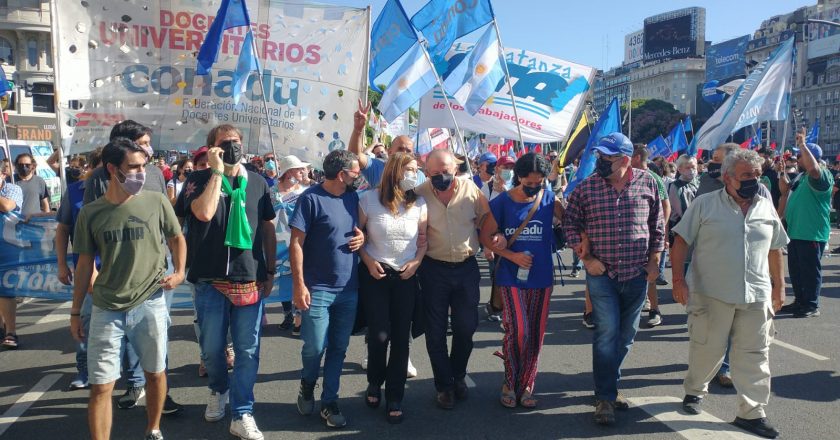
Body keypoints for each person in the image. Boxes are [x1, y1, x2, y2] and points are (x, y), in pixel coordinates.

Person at [69, 137, 186, 440]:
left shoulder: (156, 200)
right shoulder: (90, 213)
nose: (140, 173)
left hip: (151, 302)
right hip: (106, 306)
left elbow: (176, 238)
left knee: (155, 372)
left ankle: (153, 428)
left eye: (143, 166)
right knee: (101, 386)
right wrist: (74, 311)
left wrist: (180, 272)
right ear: (112, 169)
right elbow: (83, 264)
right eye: (133, 167)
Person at [671, 148, 787, 439]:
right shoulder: (705, 204)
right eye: (747, 175)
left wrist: (780, 286)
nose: (754, 180)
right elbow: (681, 241)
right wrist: (677, 280)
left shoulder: (765, 205)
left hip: (756, 294)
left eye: (757, 175)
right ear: (727, 178)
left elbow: (775, 247)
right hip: (712, 294)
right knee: (708, 349)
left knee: (755, 355)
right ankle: (695, 390)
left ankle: (752, 412)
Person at [176, 124, 276, 440]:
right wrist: (217, 173)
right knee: (212, 348)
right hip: (208, 277)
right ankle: (218, 389)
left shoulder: (258, 183)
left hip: (249, 278)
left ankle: (242, 412)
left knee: (248, 350)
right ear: (211, 149)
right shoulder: (197, 180)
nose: (233, 147)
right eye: (224, 143)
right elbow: (203, 214)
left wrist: (270, 271)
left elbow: (268, 227)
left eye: (236, 142)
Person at [563, 132, 664, 426]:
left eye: (606, 157)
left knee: (626, 336)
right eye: (599, 156)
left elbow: (657, 224)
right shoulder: (586, 188)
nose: (600, 161)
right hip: (602, 273)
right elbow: (570, 223)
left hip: (637, 273)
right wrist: (586, 259)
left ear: (624, 159)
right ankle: (605, 396)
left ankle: (607, 384)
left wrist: (655, 261)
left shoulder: (648, 183)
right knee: (607, 334)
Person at [479, 153, 564, 409]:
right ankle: (509, 380)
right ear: (519, 176)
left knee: (535, 335)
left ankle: (527, 383)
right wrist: (510, 255)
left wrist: (564, 218)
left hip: (541, 277)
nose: (534, 185)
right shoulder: (503, 202)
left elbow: (571, 224)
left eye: (539, 181)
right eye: (529, 180)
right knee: (519, 330)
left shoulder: (549, 199)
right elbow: (485, 236)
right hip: (510, 276)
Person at [290, 149, 365, 429]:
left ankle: (330, 400)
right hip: (317, 288)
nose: (358, 177)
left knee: (338, 348)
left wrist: (363, 238)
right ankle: (307, 384)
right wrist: (299, 285)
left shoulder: (352, 196)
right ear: (341, 173)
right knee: (314, 347)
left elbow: (359, 230)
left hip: (349, 288)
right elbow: (296, 243)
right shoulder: (310, 199)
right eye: (355, 172)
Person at [414, 149, 492, 410]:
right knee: (434, 332)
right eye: (435, 173)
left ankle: (458, 374)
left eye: (446, 171)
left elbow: (486, 220)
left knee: (465, 328)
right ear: (427, 173)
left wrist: (495, 241)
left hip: (466, 268)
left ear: (455, 169)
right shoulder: (419, 193)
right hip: (433, 270)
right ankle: (444, 385)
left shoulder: (471, 191)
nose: (441, 176)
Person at [358, 152, 427, 424]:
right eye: (410, 169)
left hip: (407, 276)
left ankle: (395, 395)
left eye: (417, 169)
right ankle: (374, 381)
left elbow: (423, 241)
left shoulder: (419, 203)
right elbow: (357, 237)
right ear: (395, 171)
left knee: (401, 338)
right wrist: (367, 259)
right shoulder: (368, 200)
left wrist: (417, 261)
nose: (414, 174)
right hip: (375, 274)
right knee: (378, 335)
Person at [55, 148, 103, 388]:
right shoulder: (74, 191)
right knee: (84, 320)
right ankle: (84, 370)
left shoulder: (123, 193)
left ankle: (131, 377)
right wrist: (62, 264)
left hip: (117, 270)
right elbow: (63, 229)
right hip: (85, 270)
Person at [778, 132, 833, 319]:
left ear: (811, 157)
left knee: (809, 271)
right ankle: (800, 301)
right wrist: (781, 172)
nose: (797, 158)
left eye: (799, 155)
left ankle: (811, 305)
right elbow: (784, 190)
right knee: (796, 270)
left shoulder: (821, 175)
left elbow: (814, 171)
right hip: (796, 231)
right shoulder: (800, 177)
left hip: (811, 232)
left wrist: (803, 145)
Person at [0, 152, 51, 350]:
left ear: (3, 175)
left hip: (8, 244)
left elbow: (7, 206)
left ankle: (11, 331)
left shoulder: (12, 189)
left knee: (6, 290)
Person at [630, 146, 671, 328]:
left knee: (650, 273)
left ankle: (655, 310)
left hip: (647, 236)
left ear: (637, 157)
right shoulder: (626, 176)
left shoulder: (653, 178)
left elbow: (666, 206)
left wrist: (658, 229)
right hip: (631, 236)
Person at [350, 100, 426, 188]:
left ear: (412, 155)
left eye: (408, 151)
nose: (404, 153)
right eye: (400, 149)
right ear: (389, 152)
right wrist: (358, 130)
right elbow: (355, 156)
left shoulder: (420, 176)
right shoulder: (376, 167)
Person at [274, 154, 311, 334]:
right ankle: (288, 313)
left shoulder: (303, 191)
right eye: (298, 169)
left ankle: (299, 318)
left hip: (298, 241)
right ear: (289, 171)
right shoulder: (272, 191)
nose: (301, 171)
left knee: (297, 276)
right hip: (278, 242)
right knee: (283, 278)